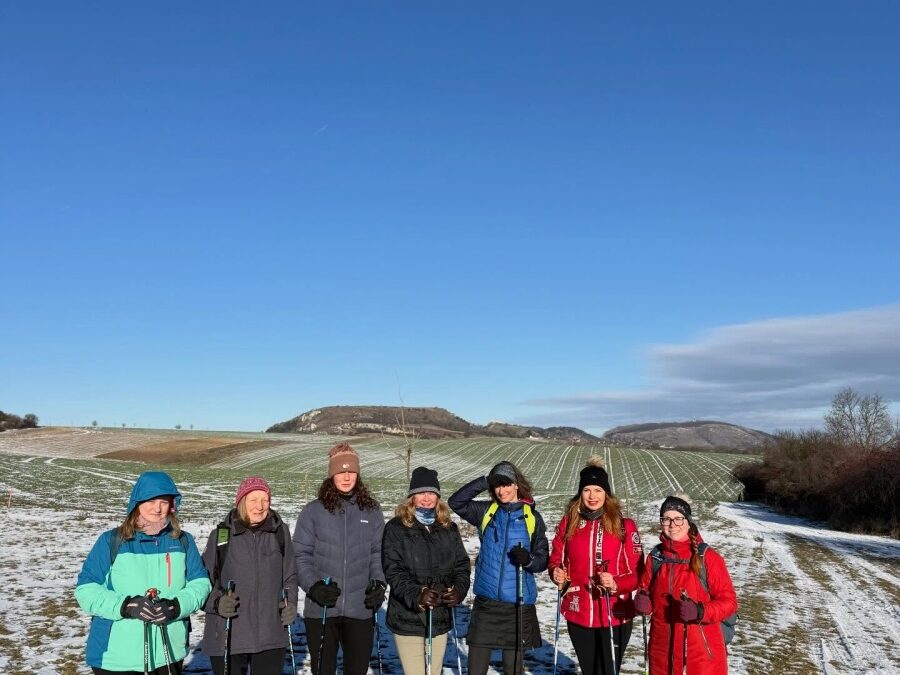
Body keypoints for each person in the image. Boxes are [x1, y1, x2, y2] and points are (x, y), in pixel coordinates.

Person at [75, 471, 211, 675]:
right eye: (150, 500)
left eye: (164, 501)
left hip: (169, 652)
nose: (157, 508)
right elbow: (86, 590)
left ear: (172, 505)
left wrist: (175, 606)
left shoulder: (183, 541)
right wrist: (125, 605)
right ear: (136, 503)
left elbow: (200, 584)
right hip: (117, 657)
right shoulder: (112, 541)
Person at [293, 442, 386, 675]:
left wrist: (379, 582)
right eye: (340, 471)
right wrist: (313, 586)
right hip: (323, 608)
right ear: (331, 474)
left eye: (351, 471)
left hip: (360, 609)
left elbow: (378, 553)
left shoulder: (372, 511)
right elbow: (300, 555)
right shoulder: (313, 511)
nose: (346, 477)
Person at [448, 461, 549, 675]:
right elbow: (456, 502)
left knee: (513, 670)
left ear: (517, 486)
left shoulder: (532, 518)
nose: (501, 490)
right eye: (497, 485)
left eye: (506, 484)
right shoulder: (486, 511)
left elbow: (542, 559)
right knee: (476, 668)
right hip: (487, 602)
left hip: (518, 604)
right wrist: (485, 481)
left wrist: (529, 560)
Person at [547, 458, 642, 675]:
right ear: (579, 493)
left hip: (615, 612)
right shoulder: (568, 522)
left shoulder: (624, 526)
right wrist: (556, 572)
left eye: (598, 490)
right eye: (587, 490)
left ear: (606, 493)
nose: (592, 496)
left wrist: (617, 583)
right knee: (590, 671)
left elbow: (638, 572)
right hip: (579, 609)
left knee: (608, 671)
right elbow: (555, 559)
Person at [201, 476, 298, 675]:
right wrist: (217, 602)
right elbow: (201, 582)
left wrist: (290, 603)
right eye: (253, 500)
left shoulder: (280, 533)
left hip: (270, 635)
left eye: (265, 500)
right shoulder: (221, 536)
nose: (260, 506)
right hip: (229, 634)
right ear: (241, 502)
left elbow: (290, 576)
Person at [633, 495, 738, 675]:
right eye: (666, 519)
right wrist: (643, 603)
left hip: (700, 655)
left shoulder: (708, 558)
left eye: (678, 518)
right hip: (661, 652)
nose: (672, 524)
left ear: (688, 522)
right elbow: (645, 592)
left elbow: (729, 603)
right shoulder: (656, 557)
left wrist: (700, 611)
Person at [382, 467, 471, 675]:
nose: (426, 498)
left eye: (431, 493)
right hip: (408, 616)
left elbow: (462, 565)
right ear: (412, 497)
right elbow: (393, 571)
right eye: (421, 493)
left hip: (439, 615)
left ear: (438, 497)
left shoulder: (448, 527)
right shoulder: (396, 528)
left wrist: (458, 590)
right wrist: (418, 595)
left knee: (434, 671)